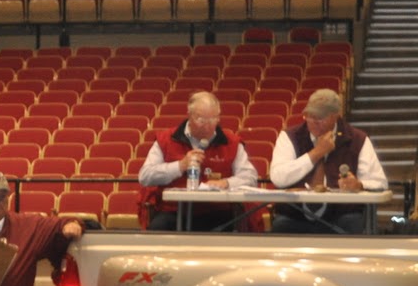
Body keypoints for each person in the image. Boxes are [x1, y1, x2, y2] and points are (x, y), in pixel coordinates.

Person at [269, 89, 389, 234]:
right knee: (281, 225)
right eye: (309, 116)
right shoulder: (290, 136)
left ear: (335, 116)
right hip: (295, 215)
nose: (313, 122)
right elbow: (278, 178)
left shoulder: (358, 139)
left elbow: (380, 183)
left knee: (352, 223)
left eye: (320, 117)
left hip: (341, 216)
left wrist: (359, 185)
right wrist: (316, 153)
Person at [136, 91, 259, 231]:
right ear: (189, 115)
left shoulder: (232, 142)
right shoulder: (166, 139)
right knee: (158, 228)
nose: (207, 126)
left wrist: (226, 183)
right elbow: (145, 176)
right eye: (201, 120)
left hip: (218, 212)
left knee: (236, 228)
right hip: (174, 211)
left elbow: (250, 177)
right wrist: (180, 166)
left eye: (213, 120)